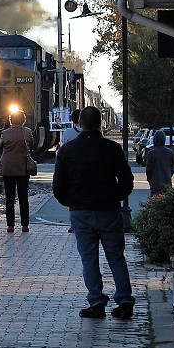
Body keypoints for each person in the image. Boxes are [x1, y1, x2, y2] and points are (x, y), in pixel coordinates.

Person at [52, 105, 136, 319]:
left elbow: (58, 185)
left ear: (79, 124)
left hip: (81, 212)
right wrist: (115, 196)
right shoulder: (112, 148)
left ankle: (97, 302)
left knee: (89, 258)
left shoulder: (67, 150)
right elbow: (127, 181)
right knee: (116, 257)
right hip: (109, 210)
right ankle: (124, 300)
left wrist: (71, 202)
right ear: (100, 124)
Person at [0, 110, 35, 233]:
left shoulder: (5, 133)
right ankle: (25, 225)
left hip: (7, 168)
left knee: (9, 197)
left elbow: (0, 148)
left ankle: (10, 226)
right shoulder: (27, 132)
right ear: (23, 120)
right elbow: (32, 147)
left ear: (10, 120)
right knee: (23, 197)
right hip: (23, 168)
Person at [144, 129, 174, 196]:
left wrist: (150, 180)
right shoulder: (170, 152)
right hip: (167, 183)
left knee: (155, 200)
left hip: (155, 184)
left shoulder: (151, 153)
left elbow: (149, 170)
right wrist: (168, 175)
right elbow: (172, 168)